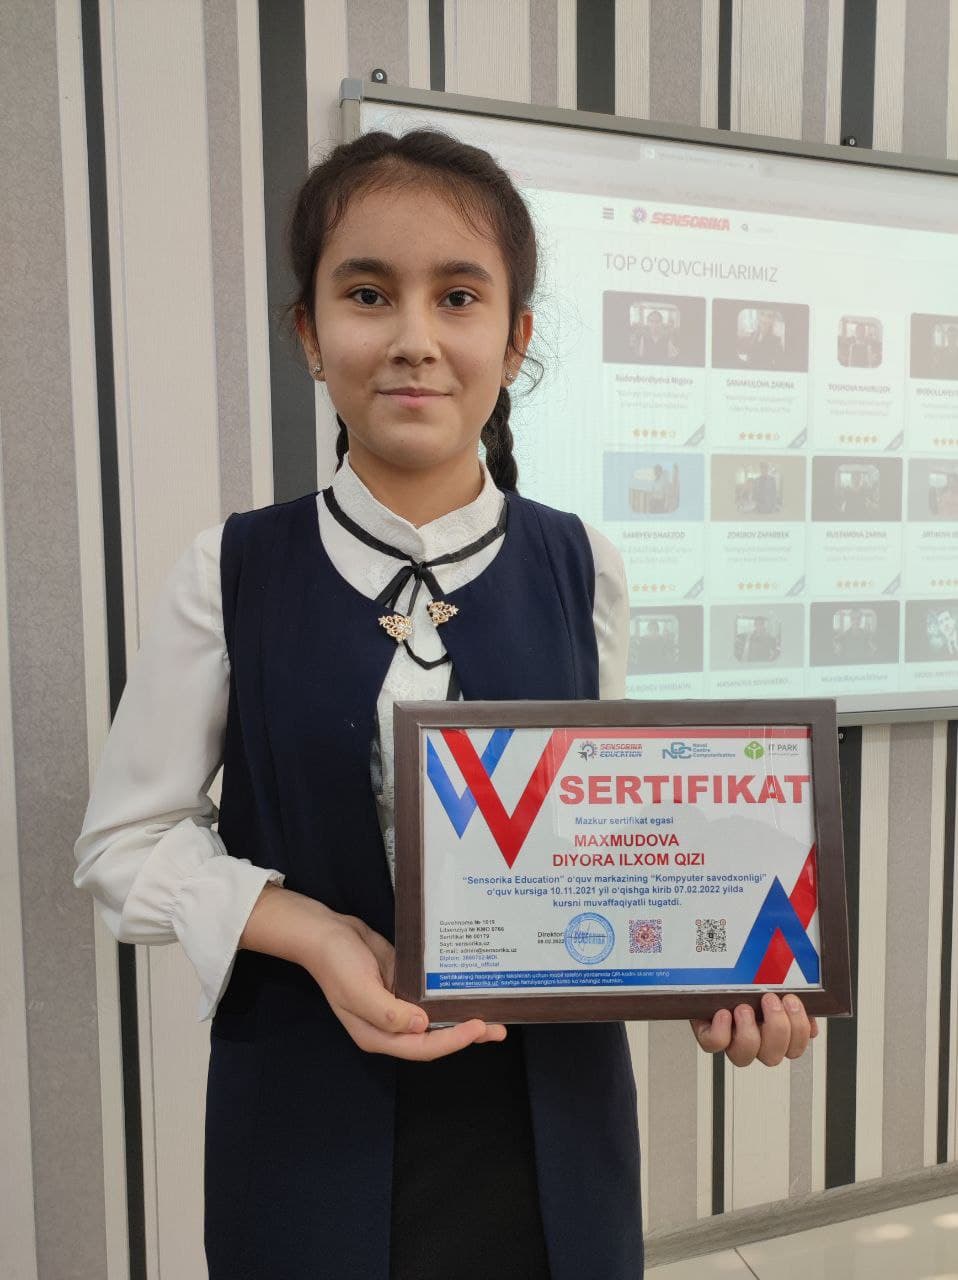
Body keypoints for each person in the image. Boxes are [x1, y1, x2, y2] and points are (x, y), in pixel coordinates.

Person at [72, 128, 817, 1280]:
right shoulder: (231, 569)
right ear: (309, 334)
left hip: (549, 1120)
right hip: (303, 1109)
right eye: (368, 293)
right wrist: (314, 932)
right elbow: (123, 844)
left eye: (458, 297)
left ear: (514, 340)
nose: (414, 338)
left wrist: (718, 964)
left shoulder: (584, 563)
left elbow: (603, 833)